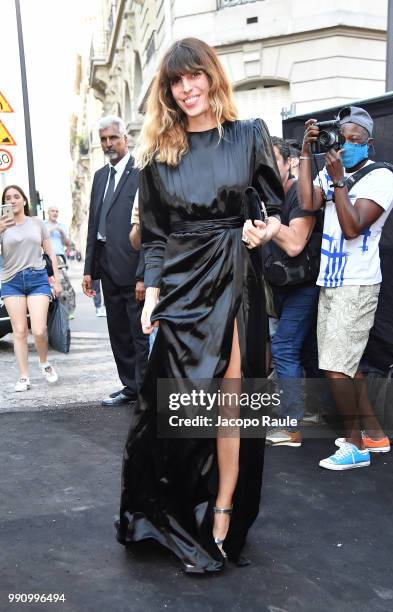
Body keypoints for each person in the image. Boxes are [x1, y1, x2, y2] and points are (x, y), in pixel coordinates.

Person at [115, 38, 283, 573]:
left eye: (195, 77)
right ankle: (171, 510)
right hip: (184, 284)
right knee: (178, 406)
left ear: (212, 77)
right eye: (176, 82)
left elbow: (276, 205)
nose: (187, 89)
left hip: (235, 273)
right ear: (167, 90)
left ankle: (224, 513)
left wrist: (264, 230)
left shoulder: (248, 135)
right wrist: (154, 296)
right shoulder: (157, 155)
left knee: (231, 400)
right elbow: (159, 237)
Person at [298, 106, 393, 470]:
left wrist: (339, 180)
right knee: (348, 364)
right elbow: (307, 203)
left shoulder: (380, 178)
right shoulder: (331, 170)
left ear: (369, 143)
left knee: (337, 367)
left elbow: (353, 226)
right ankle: (374, 434)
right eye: (344, 138)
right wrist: (307, 154)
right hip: (333, 279)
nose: (348, 144)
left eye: (356, 140)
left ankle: (355, 446)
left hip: (357, 283)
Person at [82, 115, 149, 406]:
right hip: (107, 269)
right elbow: (93, 224)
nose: (109, 144)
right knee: (118, 332)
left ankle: (146, 391)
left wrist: (144, 274)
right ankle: (130, 387)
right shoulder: (99, 177)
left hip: (133, 269)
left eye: (113, 138)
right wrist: (88, 270)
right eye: (104, 140)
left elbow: (150, 227)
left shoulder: (142, 171)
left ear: (125, 138)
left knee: (138, 334)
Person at [264, 137, 321, 448]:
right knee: (302, 350)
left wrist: (268, 226)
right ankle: (308, 412)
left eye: (274, 160)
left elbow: (297, 242)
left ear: (288, 163)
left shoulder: (301, 194)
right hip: (280, 287)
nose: (269, 168)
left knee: (284, 347)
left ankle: (291, 427)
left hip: (304, 286)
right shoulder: (265, 196)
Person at [0, 185, 61, 391]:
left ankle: (44, 363)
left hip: (37, 278)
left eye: (16, 196)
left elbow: (50, 253)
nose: (12, 200)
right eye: (8, 198)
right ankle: (24, 377)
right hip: (11, 281)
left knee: (39, 329)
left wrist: (57, 280)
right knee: (19, 331)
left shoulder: (37, 223)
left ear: (24, 201)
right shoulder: (1, 226)